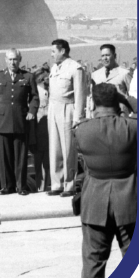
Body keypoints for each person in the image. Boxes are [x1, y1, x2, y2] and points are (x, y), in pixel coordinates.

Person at [74, 84, 137, 278]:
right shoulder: (133, 127)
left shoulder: (82, 130)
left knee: (93, 265)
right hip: (129, 203)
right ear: (116, 102)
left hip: (95, 204)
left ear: (93, 102)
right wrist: (127, 103)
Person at [0, 49, 39, 196]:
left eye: (15, 59)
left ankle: (21, 186)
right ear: (6, 60)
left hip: (20, 120)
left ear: (20, 60)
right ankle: (7, 186)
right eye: (10, 59)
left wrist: (32, 112)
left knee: (21, 156)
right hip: (2, 121)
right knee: (4, 157)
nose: (13, 62)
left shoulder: (28, 76)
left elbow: (35, 97)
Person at [47, 39, 85, 197]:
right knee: (54, 149)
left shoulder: (75, 68)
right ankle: (56, 184)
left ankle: (69, 185)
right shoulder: (54, 67)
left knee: (68, 149)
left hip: (68, 110)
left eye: (53, 51)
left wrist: (78, 118)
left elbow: (80, 95)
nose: (51, 54)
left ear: (63, 51)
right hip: (53, 109)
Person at [90, 44, 132, 113]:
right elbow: (92, 97)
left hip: (120, 115)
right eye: (102, 56)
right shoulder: (95, 75)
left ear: (114, 56)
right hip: (101, 115)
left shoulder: (125, 73)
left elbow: (132, 96)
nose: (105, 58)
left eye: (107, 55)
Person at [31, 69, 51, 192]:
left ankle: (46, 185)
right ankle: (40, 186)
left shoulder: (49, 89)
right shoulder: (35, 90)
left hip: (48, 125)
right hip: (38, 125)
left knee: (47, 160)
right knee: (39, 159)